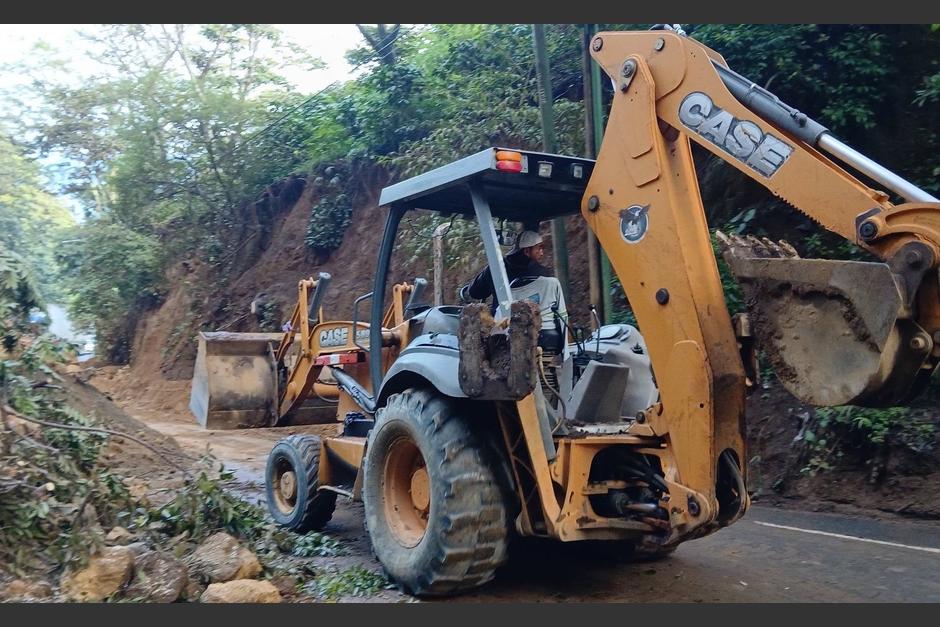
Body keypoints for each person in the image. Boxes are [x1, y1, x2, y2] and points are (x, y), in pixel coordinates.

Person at [459, 230, 551, 314]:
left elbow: (475, 292)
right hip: (538, 324)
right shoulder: (544, 274)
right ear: (527, 251)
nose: (542, 253)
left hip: (503, 325)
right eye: (539, 248)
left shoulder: (496, 269)